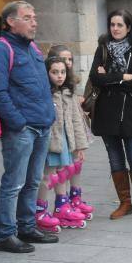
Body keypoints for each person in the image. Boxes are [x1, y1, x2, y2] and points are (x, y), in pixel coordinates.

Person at [0, 1, 57, 252]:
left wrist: (49, 114)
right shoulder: (0, 50)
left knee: (33, 181)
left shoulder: (33, 48)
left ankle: (26, 227)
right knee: (13, 183)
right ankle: (5, 235)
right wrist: (18, 122)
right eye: (27, 17)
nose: (34, 22)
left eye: (34, 17)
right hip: (23, 129)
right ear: (11, 22)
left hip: (42, 125)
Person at [89, 9, 132, 219]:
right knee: (116, 161)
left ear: (128, 27)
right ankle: (125, 203)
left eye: (120, 25)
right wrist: (123, 76)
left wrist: (110, 77)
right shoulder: (103, 49)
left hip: (130, 113)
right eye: (112, 25)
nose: (115, 29)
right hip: (107, 113)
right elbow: (95, 78)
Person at [35, 56, 89, 230]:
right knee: (48, 176)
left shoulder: (68, 92)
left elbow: (76, 121)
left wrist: (80, 146)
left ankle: (62, 206)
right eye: (54, 72)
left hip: (66, 141)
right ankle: (39, 209)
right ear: (47, 73)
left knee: (63, 174)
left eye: (63, 72)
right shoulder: (45, 93)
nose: (59, 76)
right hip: (52, 142)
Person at [46, 44, 94, 219]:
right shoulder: (51, 90)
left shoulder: (69, 85)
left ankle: (74, 198)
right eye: (63, 59)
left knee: (74, 167)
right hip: (58, 137)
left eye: (69, 60)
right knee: (59, 171)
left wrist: (80, 144)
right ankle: (62, 202)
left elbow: (75, 117)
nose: (67, 63)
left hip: (72, 134)